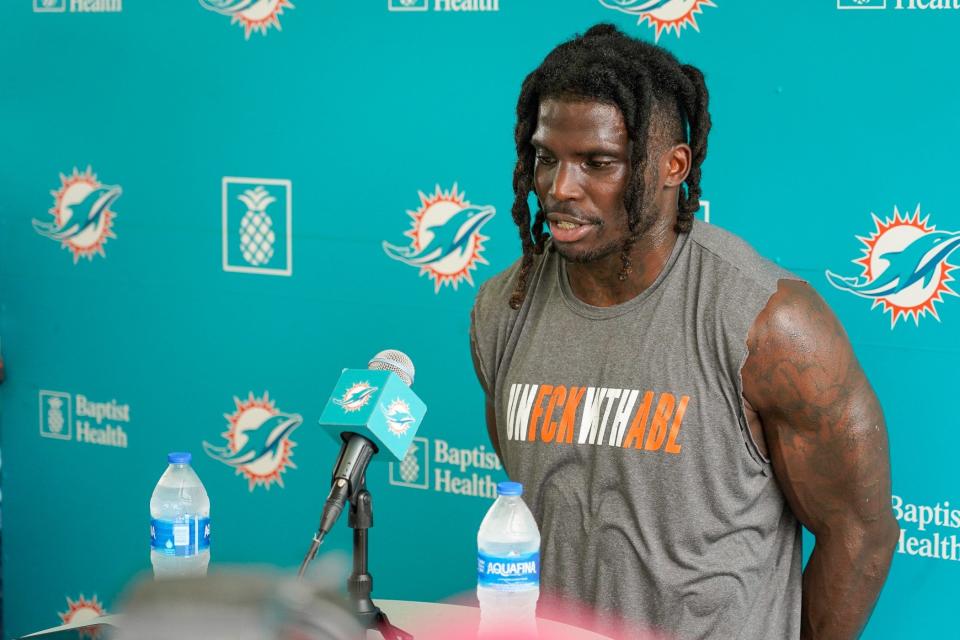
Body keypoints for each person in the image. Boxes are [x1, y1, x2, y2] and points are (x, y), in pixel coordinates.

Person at [469, 24, 898, 640]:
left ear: (674, 166)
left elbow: (860, 532)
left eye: (598, 163)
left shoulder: (768, 325)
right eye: (546, 157)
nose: (560, 189)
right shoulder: (502, 310)